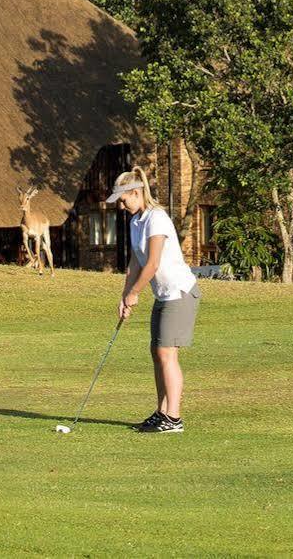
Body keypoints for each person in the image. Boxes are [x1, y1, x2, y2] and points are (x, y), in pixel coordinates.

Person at [105, 167, 200, 433]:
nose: (121, 206)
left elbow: (154, 263)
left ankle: (174, 418)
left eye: (123, 200)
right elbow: (136, 262)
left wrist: (136, 293)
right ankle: (162, 413)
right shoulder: (137, 222)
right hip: (163, 295)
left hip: (179, 293)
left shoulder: (156, 218)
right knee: (156, 353)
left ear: (136, 193)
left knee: (166, 354)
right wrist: (125, 295)